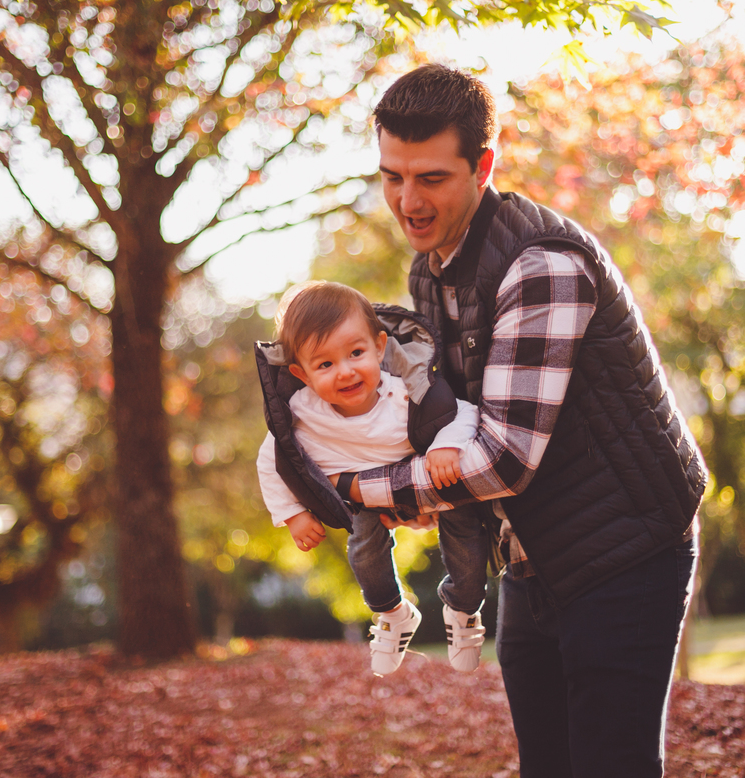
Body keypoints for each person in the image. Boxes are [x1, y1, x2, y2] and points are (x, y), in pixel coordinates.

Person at [333, 64, 707, 777]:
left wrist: (361, 489)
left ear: (484, 166)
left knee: (611, 764)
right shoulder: (431, 267)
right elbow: (448, 421)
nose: (407, 202)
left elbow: (502, 457)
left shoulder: (541, 266)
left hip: (626, 543)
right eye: (392, 176)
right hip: (531, 550)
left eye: (431, 179)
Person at [255, 280, 490, 676]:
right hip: (364, 499)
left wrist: (446, 446)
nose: (345, 372)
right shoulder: (304, 415)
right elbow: (273, 459)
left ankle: (464, 610)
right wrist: (293, 514)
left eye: (356, 353)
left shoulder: (404, 397)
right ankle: (395, 614)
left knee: (466, 535)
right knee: (363, 549)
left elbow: (463, 413)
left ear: (380, 347)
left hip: (428, 479)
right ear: (302, 373)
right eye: (325, 364)